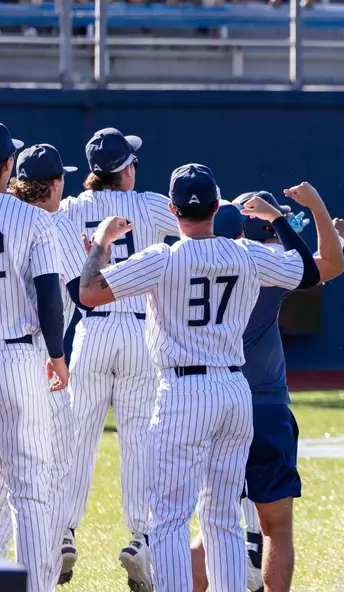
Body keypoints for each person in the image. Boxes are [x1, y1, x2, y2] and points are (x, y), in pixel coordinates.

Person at [78, 164, 320, 592]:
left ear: (173, 210)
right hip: (234, 388)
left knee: (169, 518)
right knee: (223, 516)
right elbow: (309, 270)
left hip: (183, 390)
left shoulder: (162, 257)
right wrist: (279, 220)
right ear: (216, 206)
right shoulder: (246, 254)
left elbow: (89, 293)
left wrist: (100, 242)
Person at [188, 187, 344, 592]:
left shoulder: (185, 262)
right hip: (262, 404)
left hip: (207, 402)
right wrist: (319, 211)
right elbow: (327, 264)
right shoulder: (265, 266)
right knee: (276, 527)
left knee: (212, 525)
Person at [59, 126, 180, 587]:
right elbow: (198, 219)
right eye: (132, 162)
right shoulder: (148, 204)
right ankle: (140, 538)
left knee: (77, 435)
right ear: (125, 170)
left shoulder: (73, 207)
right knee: (138, 439)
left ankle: (63, 533)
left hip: (91, 329)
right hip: (138, 331)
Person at [1, 144, 84, 585]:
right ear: (6, 165)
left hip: (21, 354)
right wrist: (57, 355)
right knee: (31, 489)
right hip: (21, 356)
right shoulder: (36, 220)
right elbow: (52, 294)